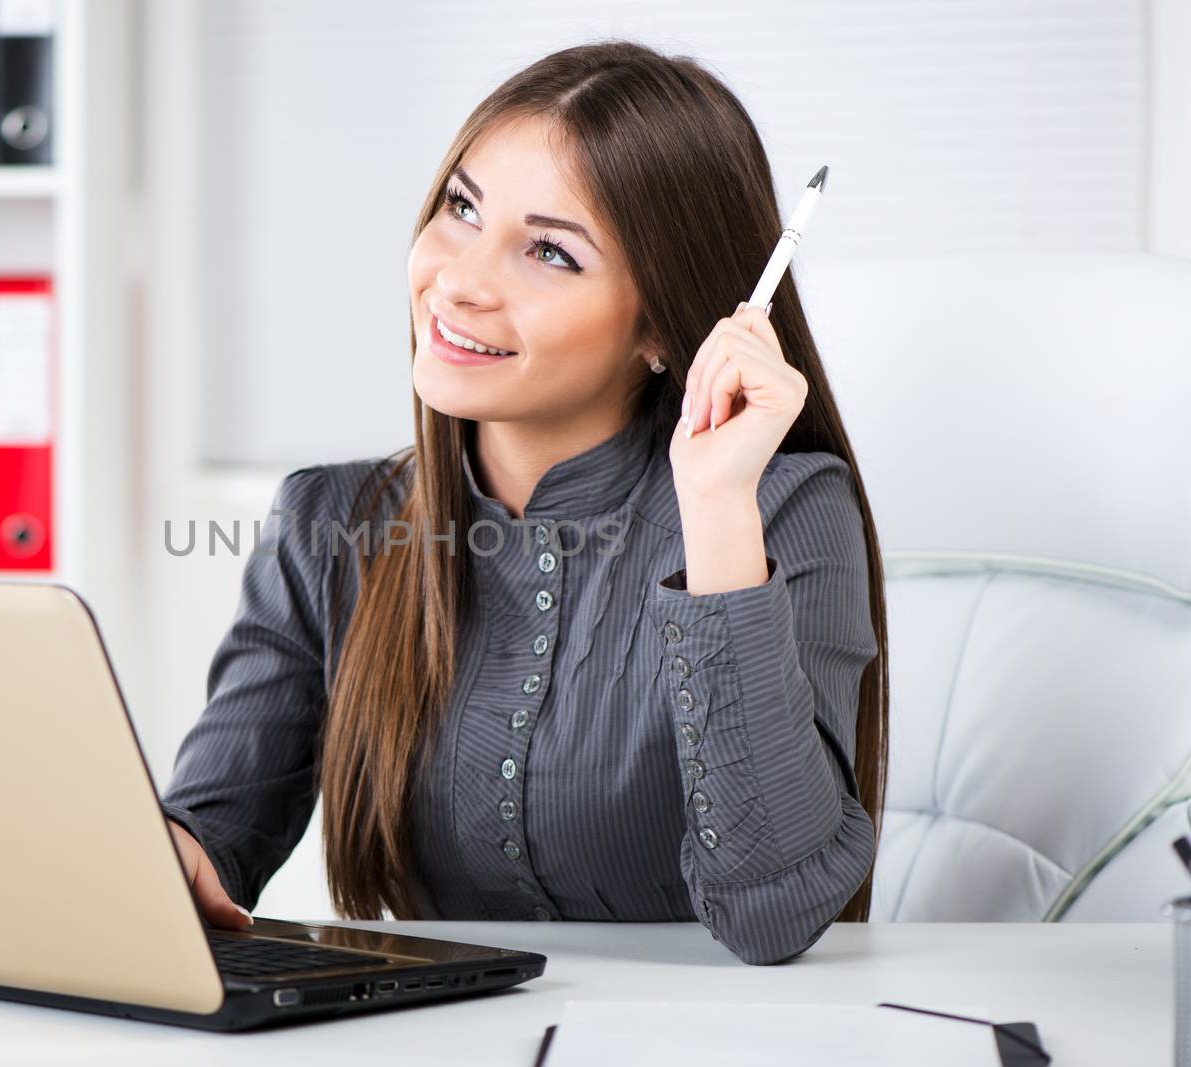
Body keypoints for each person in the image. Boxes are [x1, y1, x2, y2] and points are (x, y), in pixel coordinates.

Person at [160, 39, 890, 966]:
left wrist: (713, 508)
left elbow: (772, 910)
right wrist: (168, 857)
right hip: (431, 1035)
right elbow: (213, 828)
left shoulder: (779, 509)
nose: (460, 279)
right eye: (462, 207)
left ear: (665, 324)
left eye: (550, 252)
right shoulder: (326, 522)